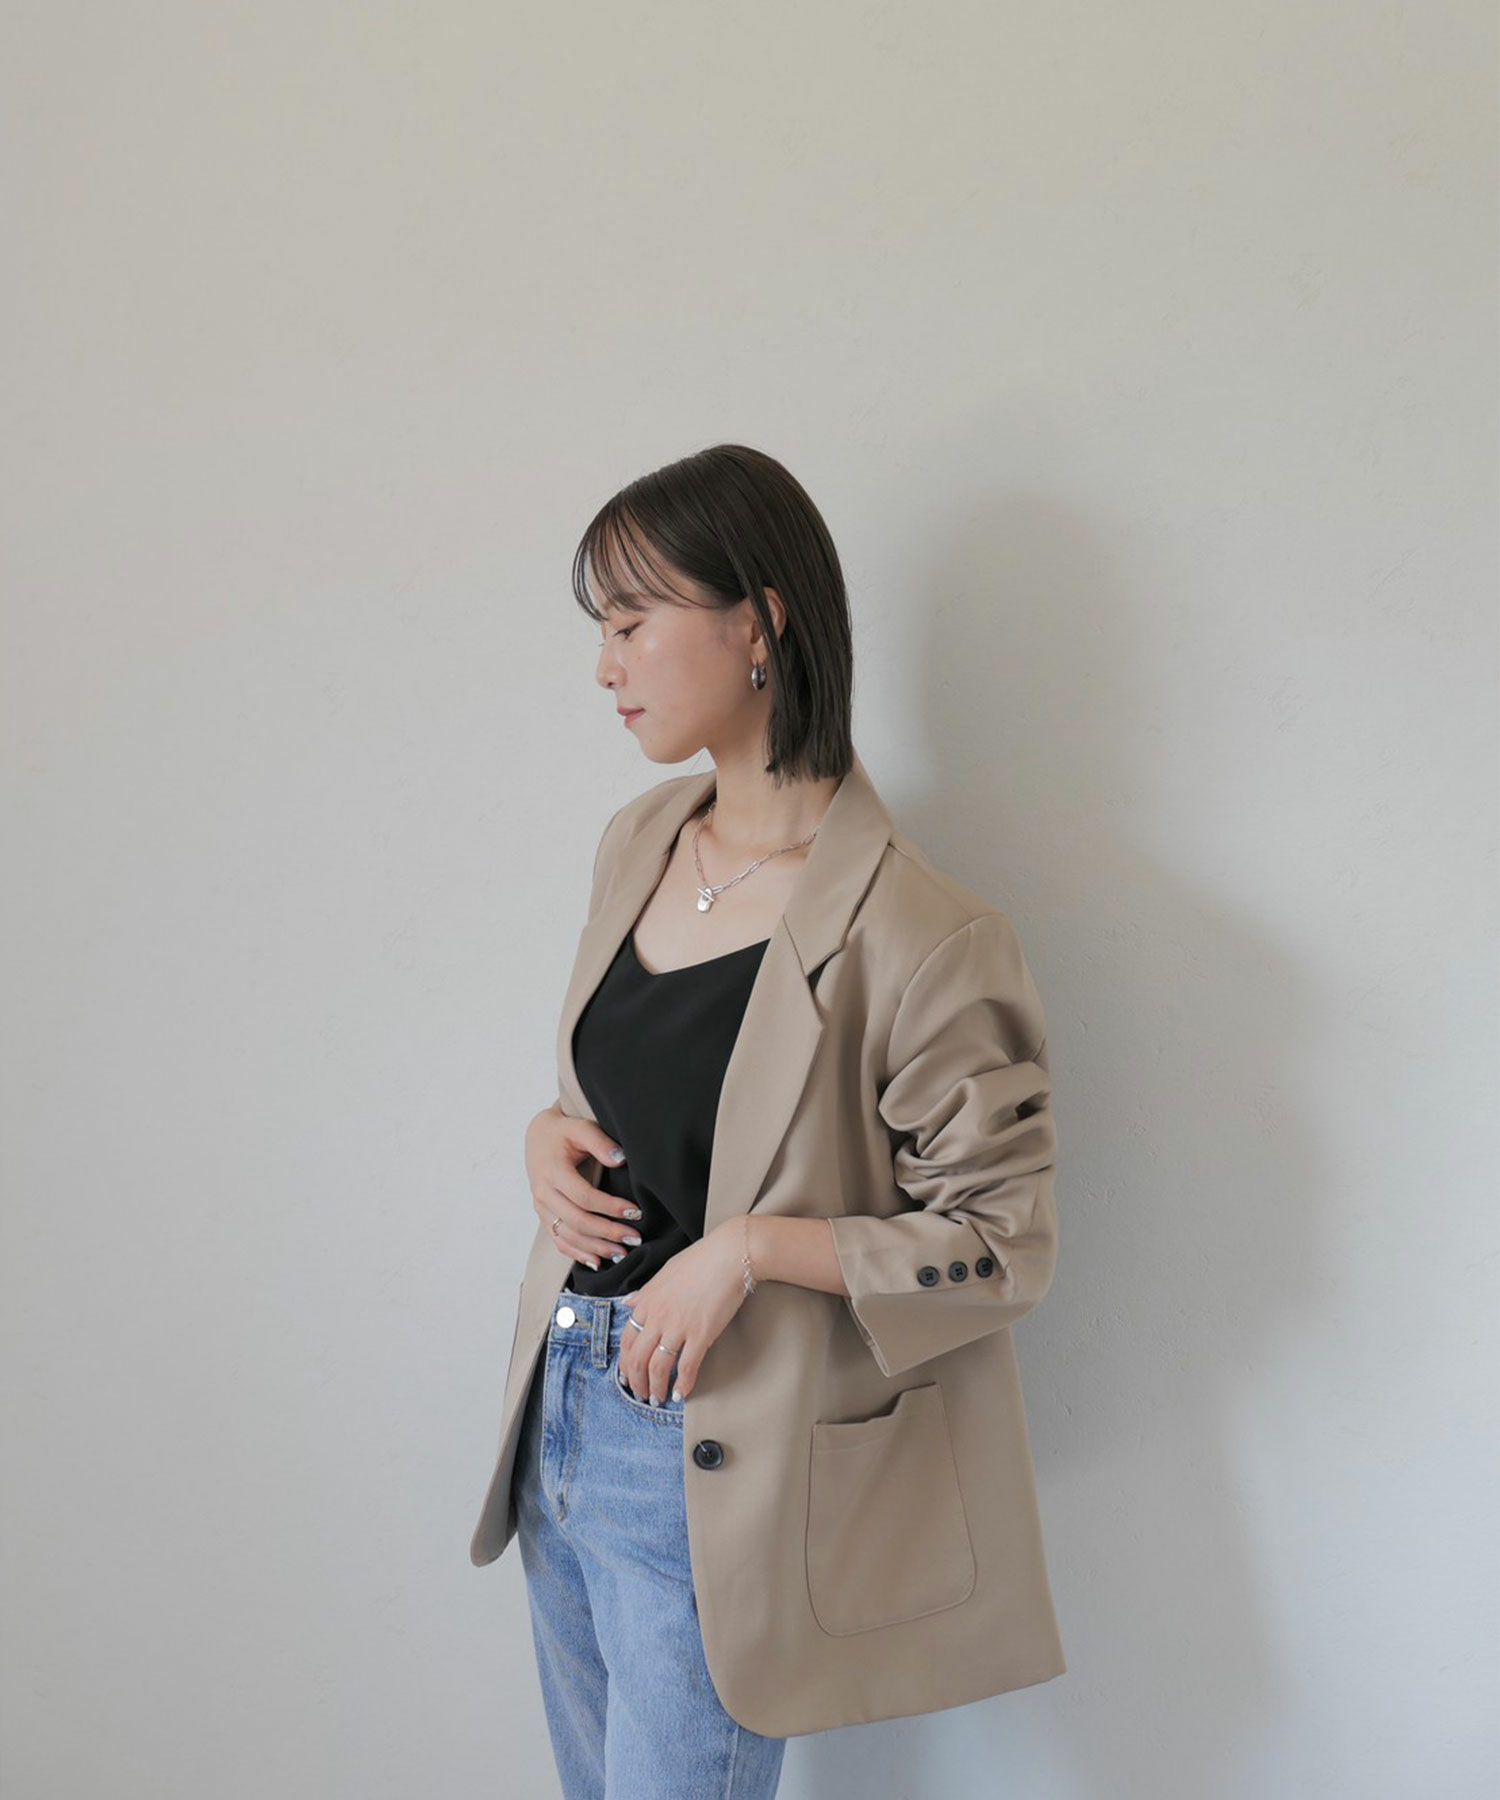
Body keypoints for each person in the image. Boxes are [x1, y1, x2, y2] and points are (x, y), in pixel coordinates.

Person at [471, 444, 1066, 1796]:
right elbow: (656, 1101)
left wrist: (748, 1251)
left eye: (634, 621)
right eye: (601, 628)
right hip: (562, 1401)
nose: (606, 666)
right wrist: (545, 1135)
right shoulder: (639, 841)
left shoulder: (922, 930)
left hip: (715, 1449)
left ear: (759, 623)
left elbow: (1002, 1246)